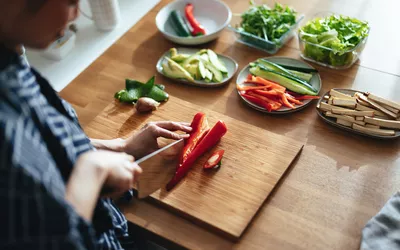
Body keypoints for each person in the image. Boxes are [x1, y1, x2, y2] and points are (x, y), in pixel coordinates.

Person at [0, 0, 191, 249]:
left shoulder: (10, 59)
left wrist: (120, 147)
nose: (76, 13)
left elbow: (45, 145)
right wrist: (90, 173)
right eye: (70, 1)